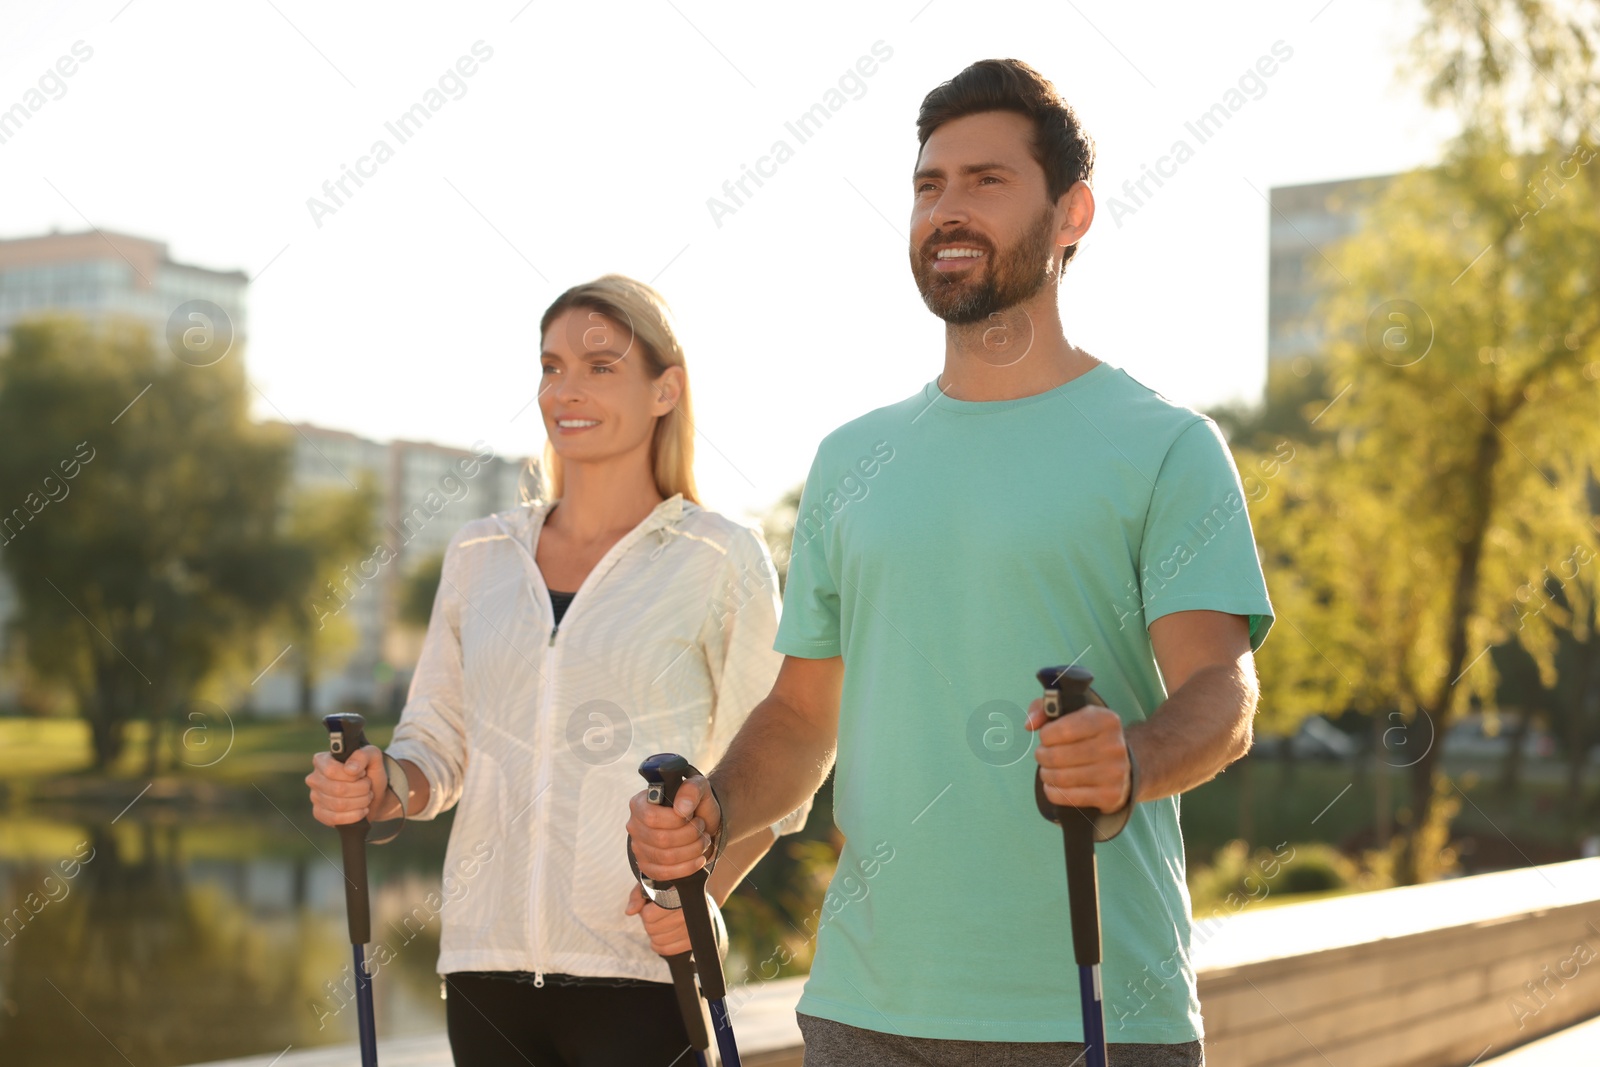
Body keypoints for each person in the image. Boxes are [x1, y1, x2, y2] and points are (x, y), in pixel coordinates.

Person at [627, 59, 1275, 1067]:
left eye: (986, 180)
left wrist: (1130, 759)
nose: (947, 209)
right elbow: (803, 717)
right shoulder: (851, 458)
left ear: (1073, 214)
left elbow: (1221, 689)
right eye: (929, 185)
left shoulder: (1164, 444)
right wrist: (710, 813)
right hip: (862, 1011)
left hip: (1095, 1010)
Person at [306, 274, 809, 1067]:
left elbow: (778, 773)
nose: (564, 389)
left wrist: (701, 898)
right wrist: (378, 784)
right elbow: (436, 749)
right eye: (550, 366)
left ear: (664, 389)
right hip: (484, 969)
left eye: (601, 365)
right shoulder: (481, 552)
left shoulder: (720, 557)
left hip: (641, 969)